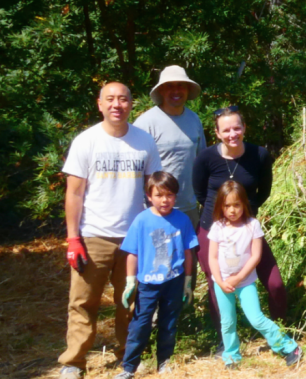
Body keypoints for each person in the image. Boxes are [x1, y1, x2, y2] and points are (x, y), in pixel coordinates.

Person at [58, 82, 163, 379]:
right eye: (110, 99)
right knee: (82, 301)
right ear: (100, 104)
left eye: (123, 99)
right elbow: (74, 194)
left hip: (134, 236)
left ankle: (128, 357)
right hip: (93, 236)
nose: (117, 104)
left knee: (130, 301)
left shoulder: (144, 141)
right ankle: (74, 362)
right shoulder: (86, 141)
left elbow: (153, 189)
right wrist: (73, 238)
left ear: (132, 104)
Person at [192, 107, 286, 349]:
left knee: (274, 282)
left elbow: (263, 191)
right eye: (226, 129)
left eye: (237, 127)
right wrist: (221, 218)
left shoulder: (260, 155)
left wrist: (243, 215)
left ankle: (280, 330)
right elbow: (200, 192)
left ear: (244, 128)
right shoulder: (206, 158)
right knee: (217, 283)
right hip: (213, 229)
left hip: (247, 228)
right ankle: (226, 341)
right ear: (217, 133)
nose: (232, 133)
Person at [207, 180, 302, 368]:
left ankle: (289, 347)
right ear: (220, 206)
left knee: (256, 318)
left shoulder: (252, 225)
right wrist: (220, 280)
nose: (232, 210)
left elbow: (256, 256)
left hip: (245, 283)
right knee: (227, 322)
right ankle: (232, 356)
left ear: (244, 204)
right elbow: (212, 258)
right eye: (227, 206)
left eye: (236, 205)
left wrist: (239, 278)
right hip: (222, 283)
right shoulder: (217, 227)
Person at [113, 172, 197, 379]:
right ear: (149, 196)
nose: (165, 200)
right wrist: (130, 281)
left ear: (175, 196)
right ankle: (129, 367)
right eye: (159, 195)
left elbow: (189, 252)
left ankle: (164, 362)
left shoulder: (182, 220)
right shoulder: (141, 220)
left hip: (174, 281)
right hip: (148, 283)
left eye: (169, 195)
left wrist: (188, 281)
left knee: (168, 323)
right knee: (140, 324)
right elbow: (133, 252)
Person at [134, 65, 206, 226]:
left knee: (190, 252)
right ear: (161, 91)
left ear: (187, 89)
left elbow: (202, 161)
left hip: (189, 208)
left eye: (180, 85)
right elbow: (136, 170)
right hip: (156, 210)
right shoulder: (146, 123)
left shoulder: (194, 120)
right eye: (169, 86)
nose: (176, 91)